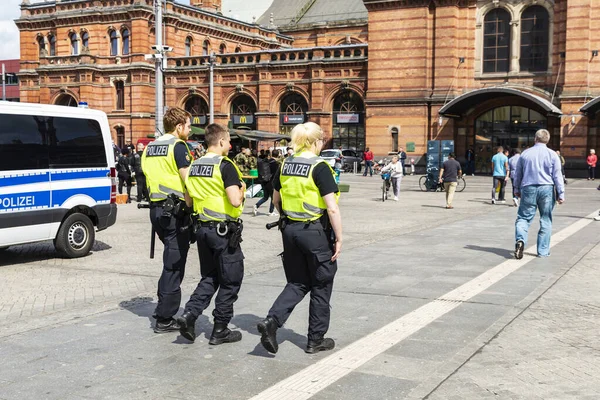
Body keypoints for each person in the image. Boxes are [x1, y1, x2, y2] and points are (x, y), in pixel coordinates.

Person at [257, 122, 342, 355]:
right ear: (316, 141)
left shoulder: (285, 165)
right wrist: (340, 238)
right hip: (314, 232)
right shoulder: (320, 166)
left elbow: (276, 200)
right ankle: (316, 339)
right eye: (322, 140)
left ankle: (271, 322)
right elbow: (332, 208)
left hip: (290, 230)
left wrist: (289, 216)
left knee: (297, 282)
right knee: (322, 284)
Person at [177, 123, 246, 344]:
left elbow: (188, 200)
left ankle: (189, 314)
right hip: (223, 232)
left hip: (202, 230)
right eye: (228, 141)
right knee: (230, 280)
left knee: (210, 277)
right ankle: (220, 329)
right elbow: (235, 200)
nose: (230, 144)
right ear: (221, 142)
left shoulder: (195, 166)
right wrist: (243, 190)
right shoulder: (226, 165)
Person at [142, 107, 193, 333]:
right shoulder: (178, 146)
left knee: (169, 259)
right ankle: (165, 318)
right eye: (188, 126)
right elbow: (189, 181)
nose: (190, 130)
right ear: (179, 126)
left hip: (157, 211)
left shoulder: (150, 147)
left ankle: (162, 305)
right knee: (175, 263)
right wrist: (193, 206)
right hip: (176, 212)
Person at [513, 129, 565, 259]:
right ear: (547, 140)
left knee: (523, 217)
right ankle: (542, 251)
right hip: (547, 188)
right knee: (546, 219)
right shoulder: (553, 154)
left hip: (528, 187)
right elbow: (557, 175)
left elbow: (518, 174)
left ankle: (520, 240)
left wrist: (516, 190)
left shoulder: (525, 154)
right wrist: (560, 193)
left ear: (535, 139)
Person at [254, 149, 279, 216]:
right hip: (270, 182)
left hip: (264, 181)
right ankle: (271, 212)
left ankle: (256, 205)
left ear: (271, 154)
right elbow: (276, 174)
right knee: (273, 198)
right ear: (278, 155)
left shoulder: (267, 162)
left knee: (265, 197)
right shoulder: (275, 163)